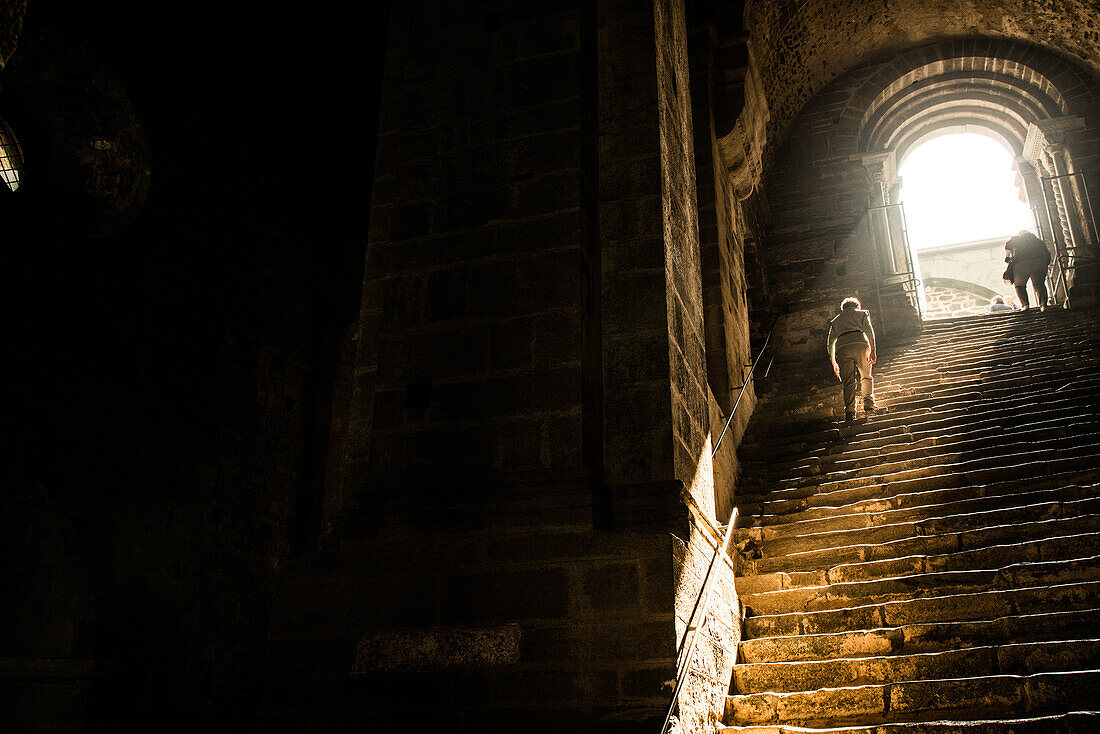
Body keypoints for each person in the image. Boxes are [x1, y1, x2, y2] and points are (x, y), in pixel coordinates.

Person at [826, 297, 887, 421]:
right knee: (866, 376)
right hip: (860, 344)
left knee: (848, 381)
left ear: (843, 308)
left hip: (842, 348)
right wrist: (873, 350)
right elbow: (869, 332)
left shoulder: (835, 321)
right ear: (857, 306)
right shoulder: (862, 313)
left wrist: (833, 362)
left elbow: (830, 342)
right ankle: (868, 403)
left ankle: (850, 411)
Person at [1003, 230, 1052, 311]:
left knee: (1019, 285)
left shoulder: (1017, 239)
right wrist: (1047, 264)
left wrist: (1007, 257)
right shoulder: (1038, 242)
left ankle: (1025, 305)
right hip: (1039, 262)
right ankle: (1043, 305)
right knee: (1039, 285)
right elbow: (1047, 254)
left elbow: (1008, 244)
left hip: (1021, 264)